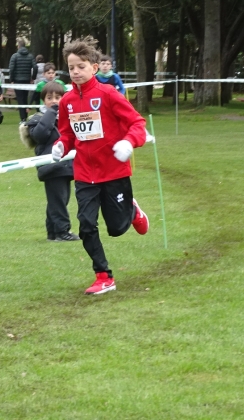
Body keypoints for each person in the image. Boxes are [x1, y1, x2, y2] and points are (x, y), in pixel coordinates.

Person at [51, 37, 149, 295]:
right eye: (71, 67)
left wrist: (129, 143)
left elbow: (137, 123)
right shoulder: (67, 101)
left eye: (80, 66)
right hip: (84, 173)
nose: (75, 72)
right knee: (85, 223)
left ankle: (132, 209)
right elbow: (67, 134)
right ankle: (103, 275)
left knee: (117, 229)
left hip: (113, 171)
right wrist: (61, 145)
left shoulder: (108, 94)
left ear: (94, 67)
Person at [20, 81, 79, 242]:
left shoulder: (67, 118)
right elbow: (40, 135)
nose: (54, 100)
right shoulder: (37, 119)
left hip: (66, 166)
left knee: (60, 200)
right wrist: (52, 112)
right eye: (49, 97)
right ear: (43, 100)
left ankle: (53, 232)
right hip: (51, 167)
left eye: (58, 97)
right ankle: (62, 231)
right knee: (58, 200)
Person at [8, 38, 37, 123]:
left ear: (18, 46)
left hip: (17, 80)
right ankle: (25, 117)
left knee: (20, 99)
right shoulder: (30, 56)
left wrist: (11, 79)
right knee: (25, 98)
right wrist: (33, 77)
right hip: (27, 80)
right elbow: (35, 67)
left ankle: (23, 119)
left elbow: (11, 68)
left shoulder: (14, 56)